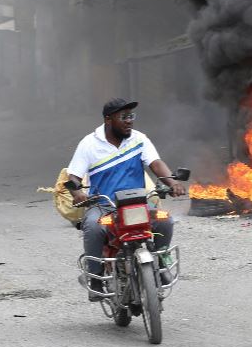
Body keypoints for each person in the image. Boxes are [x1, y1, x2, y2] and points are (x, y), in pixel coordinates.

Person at [67, 98, 186, 301]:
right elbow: (73, 176)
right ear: (108, 119)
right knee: (93, 227)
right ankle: (95, 278)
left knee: (165, 221)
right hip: (105, 205)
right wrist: (78, 193)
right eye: (124, 117)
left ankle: (160, 262)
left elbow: (156, 164)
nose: (129, 121)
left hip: (137, 204)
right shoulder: (89, 143)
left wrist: (172, 182)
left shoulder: (139, 139)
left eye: (131, 116)